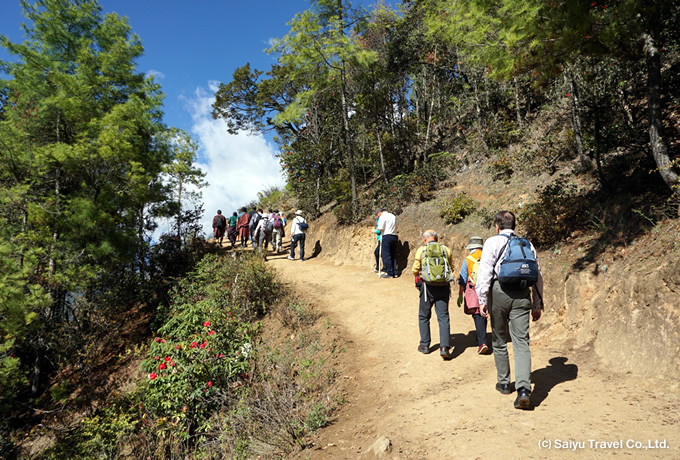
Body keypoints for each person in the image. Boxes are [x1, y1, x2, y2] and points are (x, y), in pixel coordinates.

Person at [476, 211, 544, 410]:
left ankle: (504, 383)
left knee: (499, 339)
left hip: (499, 292)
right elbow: (538, 275)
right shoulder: (527, 244)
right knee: (521, 341)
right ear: (514, 225)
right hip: (523, 294)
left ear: (497, 226)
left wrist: (482, 299)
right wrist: (537, 304)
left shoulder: (492, 242)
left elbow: (485, 271)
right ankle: (523, 389)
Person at [412, 230, 454, 360]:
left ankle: (425, 345)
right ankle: (444, 347)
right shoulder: (446, 249)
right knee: (443, 316)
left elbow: (415, 269)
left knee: (424, 316)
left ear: (425, 240)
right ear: (436, 239)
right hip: (443, 286)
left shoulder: (421, 250)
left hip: (427, 287)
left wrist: (420, 277)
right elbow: (451, 267)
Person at [457, 236, 490, 355]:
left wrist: (460, 293)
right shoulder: (488, 256)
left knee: (478, 314)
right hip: (490, 288)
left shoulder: (468, 259)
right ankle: (484, 337)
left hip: (475, 289)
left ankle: (483, 342)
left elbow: (463, 278)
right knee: (485, 312)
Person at [376, 208, 398, 278]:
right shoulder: (393, 216)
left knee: (386, 255)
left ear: (379, 212)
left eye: (377, 215)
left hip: (387, 236)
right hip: (394, 236)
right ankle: (395, 272)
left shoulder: (382, 217)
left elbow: (380, 229)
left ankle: (390, 273)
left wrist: (374, 230)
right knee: (393, 255)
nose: (378, 216)